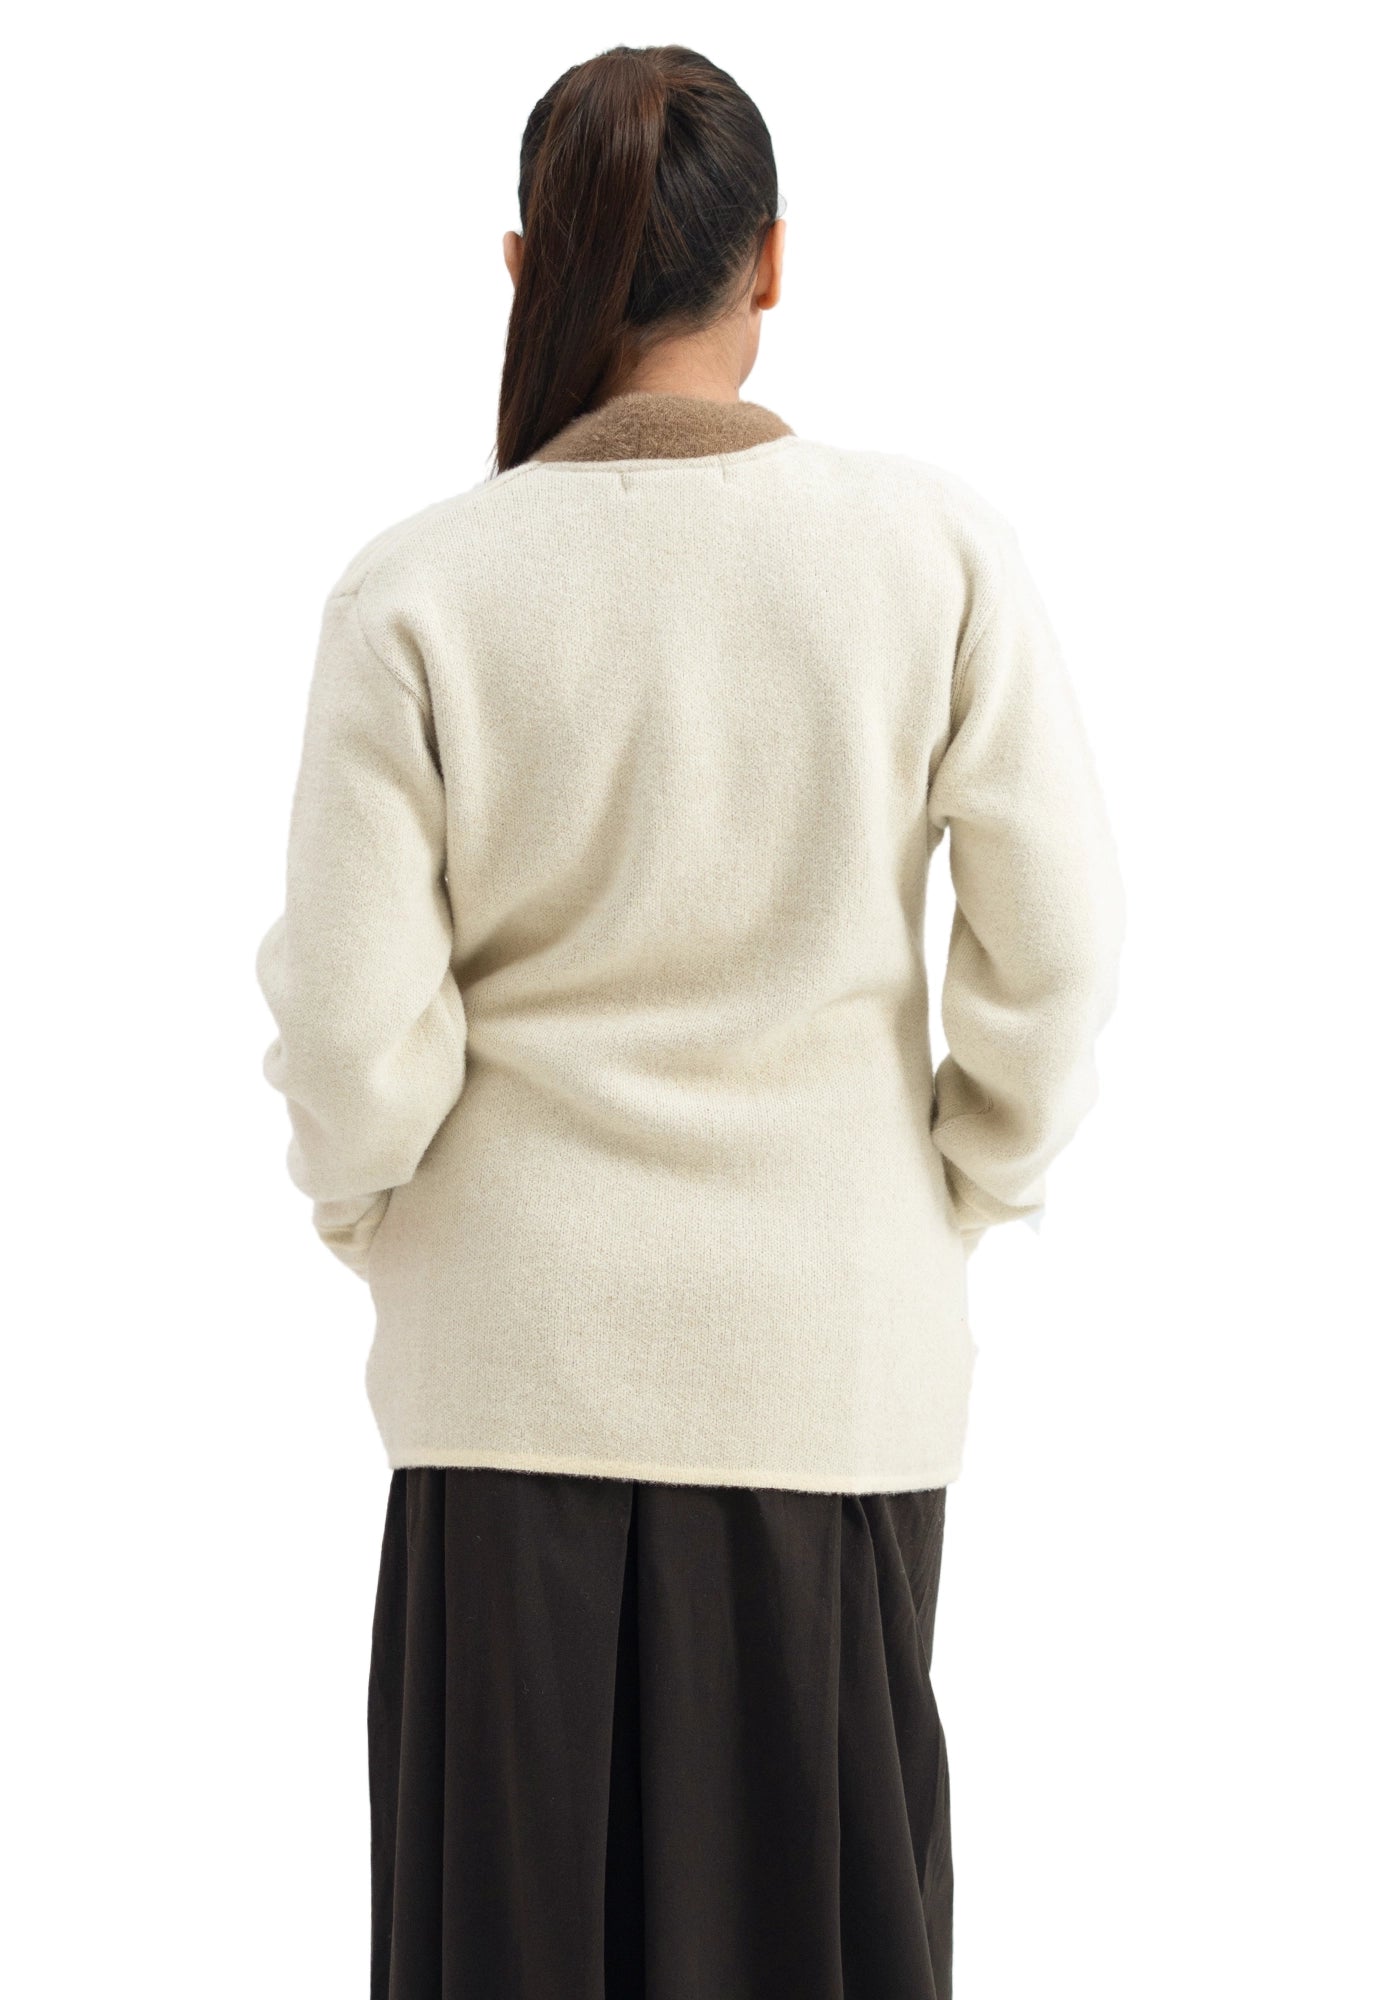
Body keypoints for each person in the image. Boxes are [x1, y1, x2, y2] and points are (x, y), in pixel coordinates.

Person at [254, 41, 1124, 2000]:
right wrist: (955, 1186)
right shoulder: (929, 552)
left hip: (505, 1383)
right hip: (835, 1362)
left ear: (523, 266)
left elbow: (351, 1033)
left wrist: (385, 1218)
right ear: (774, 263)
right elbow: (1057, 944)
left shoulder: (417, 590)